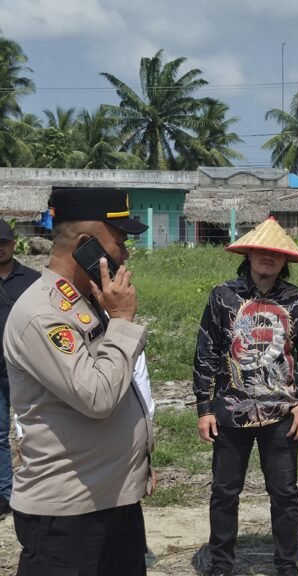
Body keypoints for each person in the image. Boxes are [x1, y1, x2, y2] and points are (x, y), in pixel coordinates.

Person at [5, 188, 153, 575]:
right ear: (87, 244)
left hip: (111, 498)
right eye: (119, 242)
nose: (125, 254)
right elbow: (98, 397)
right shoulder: (43, 313)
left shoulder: (85, 301)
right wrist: (122, 322)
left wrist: (137, 461)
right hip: (69, 514)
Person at [194, 217, 298, 576]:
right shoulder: (223, 296)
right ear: (248, 253)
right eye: (261, 251)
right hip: (230, 410)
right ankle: (221, 563)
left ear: (285, 260)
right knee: (224, 491)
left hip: (282, 413)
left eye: (276, 253)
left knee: (284, 493)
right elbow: (206, 352)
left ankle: (287, 564)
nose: (268, 257)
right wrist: (204, 408)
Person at [0, 220, 40, 521]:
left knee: (38, 431)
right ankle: (5, 494)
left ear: (14, 244)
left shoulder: (33, 280)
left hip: (28, 370)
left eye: (4, 242)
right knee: (0, 435)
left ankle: (38, 491)